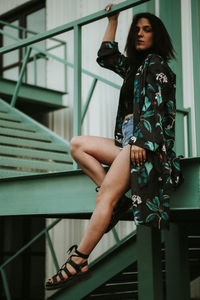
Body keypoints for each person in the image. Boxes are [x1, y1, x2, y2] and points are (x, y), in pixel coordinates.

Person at [45, 4, 182, 290]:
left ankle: (80, 259)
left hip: (144, 142)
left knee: (104, 196)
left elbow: (156, 108)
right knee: (78, 145)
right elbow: (106, 56)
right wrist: (113, 19)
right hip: (127, 141)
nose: (141, 34)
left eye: (147, 30)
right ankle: (120, 201)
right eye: (137, 30)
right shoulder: (135, 67)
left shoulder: (157, 65)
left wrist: (143, 141)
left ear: (157, 36)